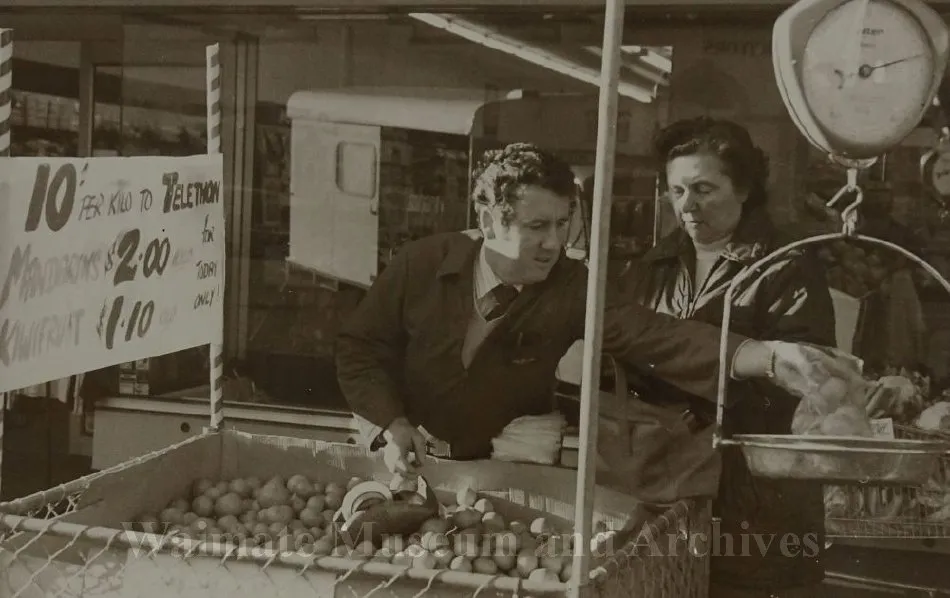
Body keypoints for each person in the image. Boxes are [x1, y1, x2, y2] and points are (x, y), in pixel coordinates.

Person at [335, 142, 860, 474]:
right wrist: (390, 422)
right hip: (395, 457)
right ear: (490, 219)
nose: (553, 244)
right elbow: (360, 349)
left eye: (563, 224)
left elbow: (657, 335)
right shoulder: (422, 263)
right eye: (537, 227)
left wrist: (767, 356)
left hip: (498, 469)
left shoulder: (571, 286)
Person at [616, 117, 834, 598]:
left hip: (755, 501)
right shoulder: (651, 268)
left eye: (703, 189)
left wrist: (683, 366)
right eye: (676, 191)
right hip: (672, 494)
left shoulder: (787, 268)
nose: (687, 206)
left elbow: (801, 381)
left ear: (744, 189)